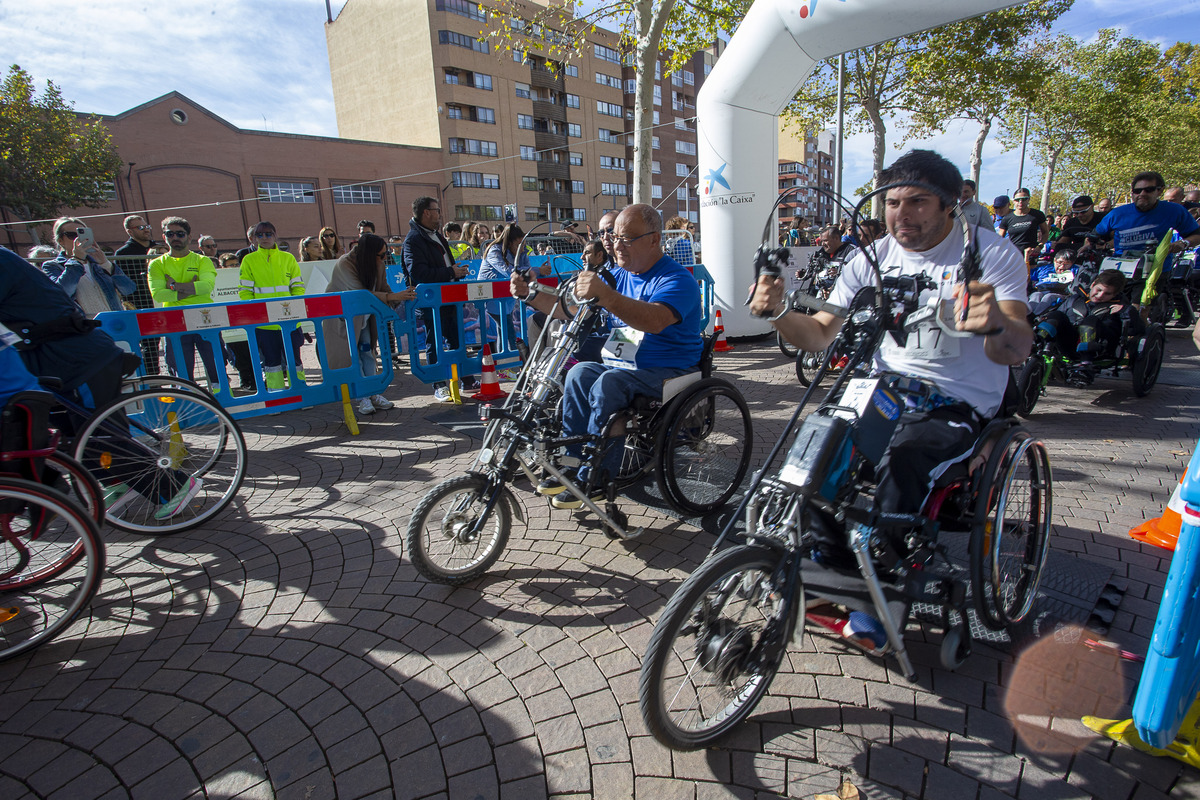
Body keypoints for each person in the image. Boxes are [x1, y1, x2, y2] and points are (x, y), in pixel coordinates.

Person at [752, 149, 1031, 528]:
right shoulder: (870, 259)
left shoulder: (991, 254)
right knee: (818, 448)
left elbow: (1016, 349)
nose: (902, 214)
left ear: (949, 205)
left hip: (957, 399)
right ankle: (824, 562)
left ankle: (886, 563)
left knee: (904, 460)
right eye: (893, 202)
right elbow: (819, 334)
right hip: (883, 390)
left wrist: (996, 321)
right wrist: (779, 312)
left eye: (918, 202)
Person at [513, 203, 703, 509]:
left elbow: (653, 320)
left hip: (670, 370)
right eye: (613, 238)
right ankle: (571, 463)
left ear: (654, 240)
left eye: (626, 239)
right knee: (578, 373)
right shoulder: (617, 274)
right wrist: (531, 295)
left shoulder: (676, 279)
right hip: (626, 365)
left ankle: (599, 476)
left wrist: (608, 295)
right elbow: (571, 310)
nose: (616, 246)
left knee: (608, 384)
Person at [0, 246, 203, 519]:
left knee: (98, 436)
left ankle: (175, 486)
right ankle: (117, 482)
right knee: (70, 438)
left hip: (77, 359)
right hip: (52, 363)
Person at [322, 233, 416, 415]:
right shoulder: (345, 264)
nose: (384, 258)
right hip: (344, 320)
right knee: (352, 356)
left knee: (368, 353)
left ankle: (373, 393)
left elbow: (383, 287)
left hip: (364, 317)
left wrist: (400, 297)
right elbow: (360, 294)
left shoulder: (377, 264)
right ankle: (361, 396)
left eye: (385, 254)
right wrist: (391, 297)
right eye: (381, 255)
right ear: (368, 253)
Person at [1081, 171, 1200, 309]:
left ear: (1159, 190)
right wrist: (1088, 246)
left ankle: (1142, 327)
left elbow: (1196, 235)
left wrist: (1182, 243)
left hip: (1154, 268)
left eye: (1148, 190)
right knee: (1105, 305)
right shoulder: (1117, 213)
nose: (1142, 194)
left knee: (1138, 308)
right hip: (1121, 269)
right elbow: (1093, 236)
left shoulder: (1174, 211)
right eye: (1137, 191)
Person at [402, 196, 471, 402]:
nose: (440, 214)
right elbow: (418, 272)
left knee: (456, 338)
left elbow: (443, 264)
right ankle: (439, 385)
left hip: (449, 296)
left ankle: (466, 378)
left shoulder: (435, 236)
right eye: (437, 210)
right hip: (431, 301)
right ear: (426, 212)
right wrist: (450, 272)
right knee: (435, 341)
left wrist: (456, 270)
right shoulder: (414, 240)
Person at [147, 217, 221, 392]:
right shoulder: (156, 264)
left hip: (203, 317)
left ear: (189, 237)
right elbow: (158, 294)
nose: (175, 237)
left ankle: (224, 404)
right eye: (170, 234)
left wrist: (174, 287)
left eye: (180, 234)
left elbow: (206, 287)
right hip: (174, 321)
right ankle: (188, 406)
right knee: (180, 369)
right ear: (164, 237)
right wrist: (191, 287)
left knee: (215, 364)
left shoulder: (202, 261)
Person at [238, 221, 306, 391]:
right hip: (265, 322)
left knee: (294, 360)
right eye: (259, 235)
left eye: (268, 234)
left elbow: (297, 287)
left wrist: (293, 309)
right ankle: (276, 394)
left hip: (289, 319)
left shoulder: (288, 258)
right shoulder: (249, 260)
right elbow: (245, 291)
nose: (264, 237)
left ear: (275, 236)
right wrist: (255, 312)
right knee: (271, 362)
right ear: (253, 238)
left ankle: (299, 391)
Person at [1034, 269, 1144, 367]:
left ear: (1114, 295)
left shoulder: (1122, 307)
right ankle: (1037, 343)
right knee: (1056, 315)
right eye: (1099, 290)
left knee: (1090, 320)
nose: (1100, 295)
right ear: (1093, 285)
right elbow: (1057, 319)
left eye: (1107, 293)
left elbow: (1137, 330)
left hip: (1099, 349)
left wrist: (1125, 311)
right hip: (1069, 343)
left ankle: (1086, 364)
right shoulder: (1075, 298)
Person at [479, 223, 550, 375]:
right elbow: (509, 272)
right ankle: (509, 367)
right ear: (510, 242)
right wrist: (539, 270)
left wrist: (538, 271)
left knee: (503, 329)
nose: (522, 247)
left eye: (524, 243)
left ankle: (505, 368)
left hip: (508, 297)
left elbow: (527, 270)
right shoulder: (494, 251)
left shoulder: (521, 252)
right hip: (492, 297)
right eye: (519, 243)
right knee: (507, 330)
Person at [42, 217, 137, 318]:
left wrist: (106, 264)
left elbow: (128, 289)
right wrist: (76, 259)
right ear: (60, 241)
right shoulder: (52, 266)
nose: (78, 239)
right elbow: (62, 294)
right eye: (72, 235)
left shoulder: (98, 263)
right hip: (83, 326)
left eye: (82, 234)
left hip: (114, 323)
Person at [998, 189, 1049, 263]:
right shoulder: (1007, 218)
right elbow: (999, 238)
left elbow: (1045, 232)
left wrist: (1040, 246)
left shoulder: (1037, 214)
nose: (1020, 202)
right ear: (1013, 201)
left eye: (1024, 199)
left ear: (1028, 200)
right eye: (1017, 200)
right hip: (1013, 256)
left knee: (1029, 274)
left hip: (1031, 255)